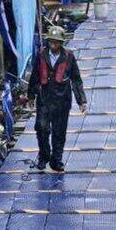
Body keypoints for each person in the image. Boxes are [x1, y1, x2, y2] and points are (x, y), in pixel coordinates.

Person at [28, 25, 87, 172]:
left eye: (56, 42)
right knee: (41, 128)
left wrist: (82, 100)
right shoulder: (41, 55)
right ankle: (43, 156)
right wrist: (30, 95)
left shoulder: (68, 56)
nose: (53, 44)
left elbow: (76, 79)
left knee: (59, 133)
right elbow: (35, 76)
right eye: (51, 41)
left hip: (62, 100)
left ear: (61, 43)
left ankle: (56, 161)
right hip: (44, 98)